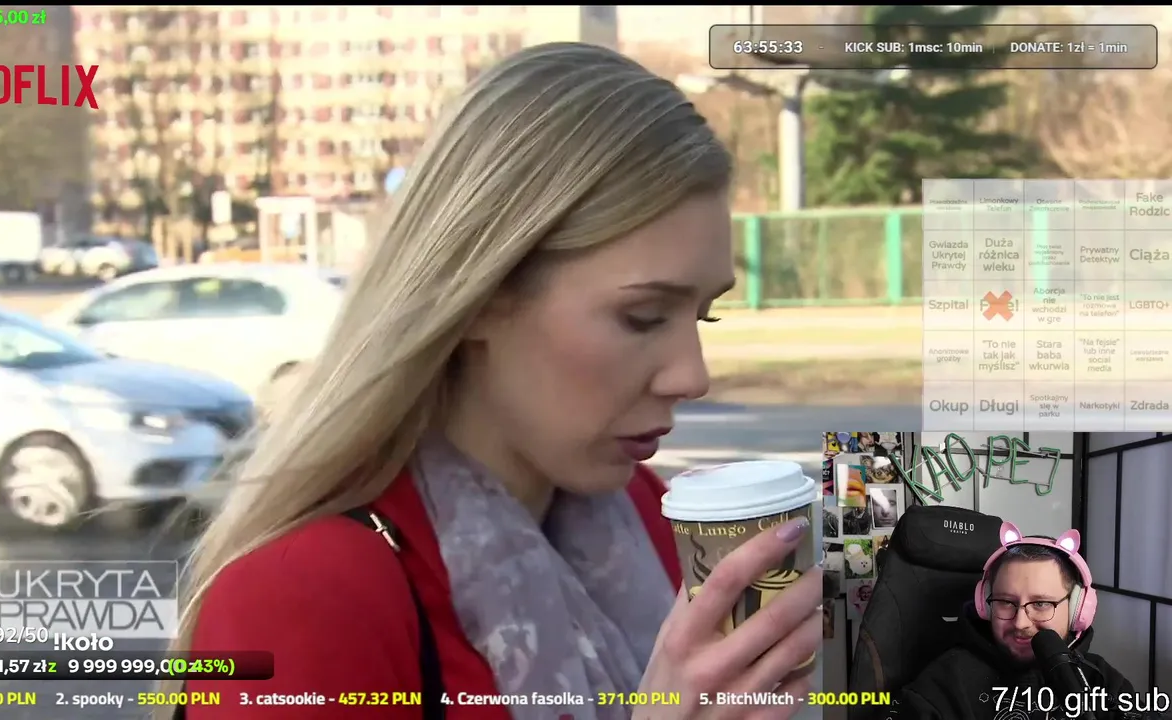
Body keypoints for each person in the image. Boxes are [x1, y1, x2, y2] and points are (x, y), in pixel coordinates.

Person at [169, 42, 821, 719]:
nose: (693, 376)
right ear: (482, 295)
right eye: (643, 317)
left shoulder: (647, 518)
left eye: (703, 314)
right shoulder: (303, 596)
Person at [896, 522, 1157, 720]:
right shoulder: (946, 683)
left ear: (1078, 609)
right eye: (1005, 602)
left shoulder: (1099, 678)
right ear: (984, 604)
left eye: (1041, 604)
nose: (1021, 622)